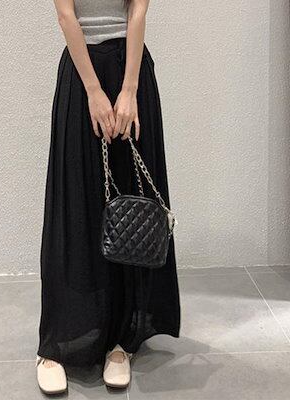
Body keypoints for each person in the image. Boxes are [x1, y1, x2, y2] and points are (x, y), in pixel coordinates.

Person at [36, 0, 181, 394]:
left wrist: (129, 89)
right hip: (83, 74)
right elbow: (66, 15)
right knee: (75, 203)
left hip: (130, 71)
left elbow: (137, 11)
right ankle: (56, 343)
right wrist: (94, 91)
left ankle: (122, 338)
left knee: (132, 204)